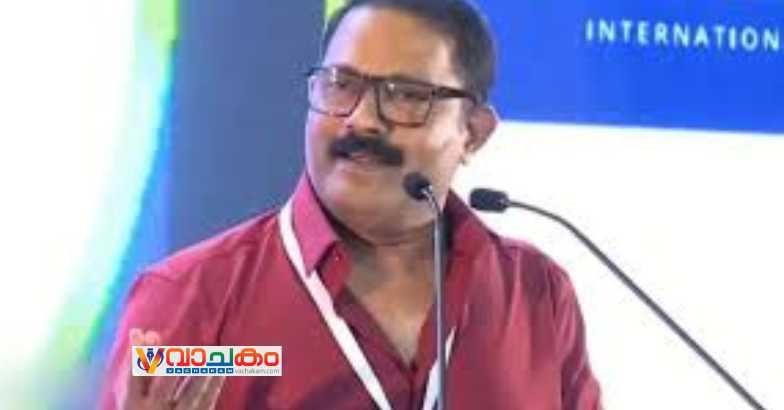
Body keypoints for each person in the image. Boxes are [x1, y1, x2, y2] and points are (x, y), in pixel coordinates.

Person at [101, 0, 602, 408]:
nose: (361, 120)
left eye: (405, 95)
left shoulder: (536, 293)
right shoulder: (190, 298)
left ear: (473, 133)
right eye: (341, 85)